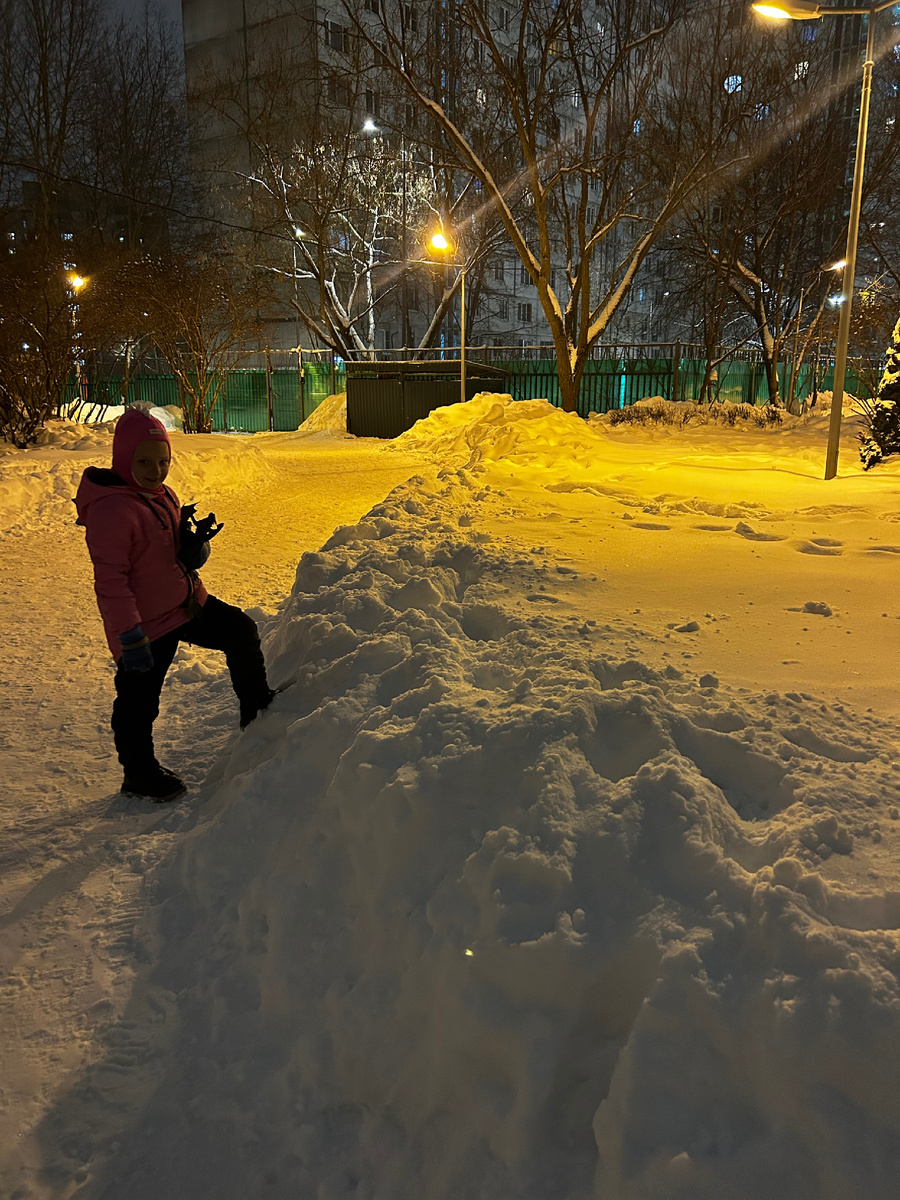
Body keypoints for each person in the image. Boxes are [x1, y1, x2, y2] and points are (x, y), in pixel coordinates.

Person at [75, 406, 274, 802]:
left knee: (241, 630)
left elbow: (168, 551)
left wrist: (193, 548)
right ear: (123, 459)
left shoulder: (163, 494)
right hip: (145, 626)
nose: (156, 470)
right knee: (138, 702)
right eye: (144, 461)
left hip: (186, 605)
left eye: (163, 461)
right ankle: (139, 775)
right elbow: (110, 582)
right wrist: (129, 635)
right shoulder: (112, 511)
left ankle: (259, 711)